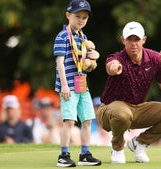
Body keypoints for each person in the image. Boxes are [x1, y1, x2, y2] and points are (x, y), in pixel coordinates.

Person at [95, 21, 161, 164]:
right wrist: (114, 68)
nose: (133, 43)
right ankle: (117, 148)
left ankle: (139, 143)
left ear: (144, 40)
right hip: (109, 110)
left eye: (137, 39)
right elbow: (110, 66)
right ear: (123, 40)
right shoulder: (116, 57)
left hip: (138, 109)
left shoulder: (154, 59)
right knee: (122, 114)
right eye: (129, 39)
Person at [53, 0, 101, 167]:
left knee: (87, 119)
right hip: (68, 85)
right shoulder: (62, 36)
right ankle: (63, 155)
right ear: (68, 15)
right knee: (69, 121)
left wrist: (93, 57)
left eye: (84, 18)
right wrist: (64, 85)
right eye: (77, 16)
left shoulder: (83, 37)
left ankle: (85, 154)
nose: (81, 20)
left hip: (82, 84)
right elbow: (60, 62)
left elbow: (83, 64)